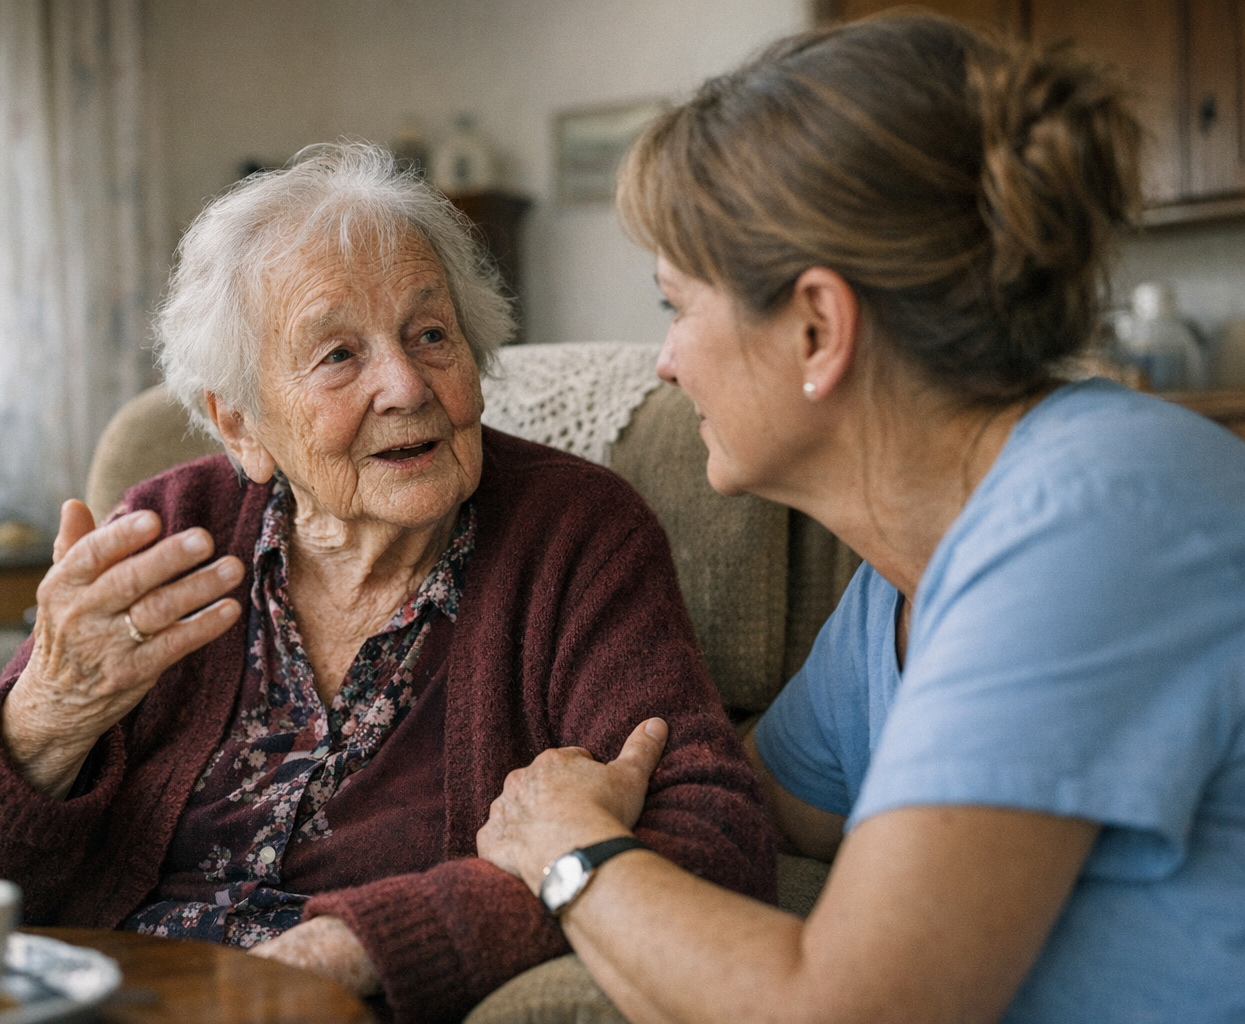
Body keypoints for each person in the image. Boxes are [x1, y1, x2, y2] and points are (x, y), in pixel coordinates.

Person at [0, 143, 775, 1024]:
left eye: (431, 335)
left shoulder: (571, 536)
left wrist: (351, 947)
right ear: (243, 424)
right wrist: (49, 707)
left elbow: (710, 836)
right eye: (339, 355)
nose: (403, 385)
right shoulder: (171, 530)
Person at [477, 13, 1245, 1024]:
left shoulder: (1095, 515)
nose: (665, 360)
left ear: (817, 327)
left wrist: (570, 852)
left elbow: (847, 1008)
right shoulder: (897, 587)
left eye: (677, 305)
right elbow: (744, 806)